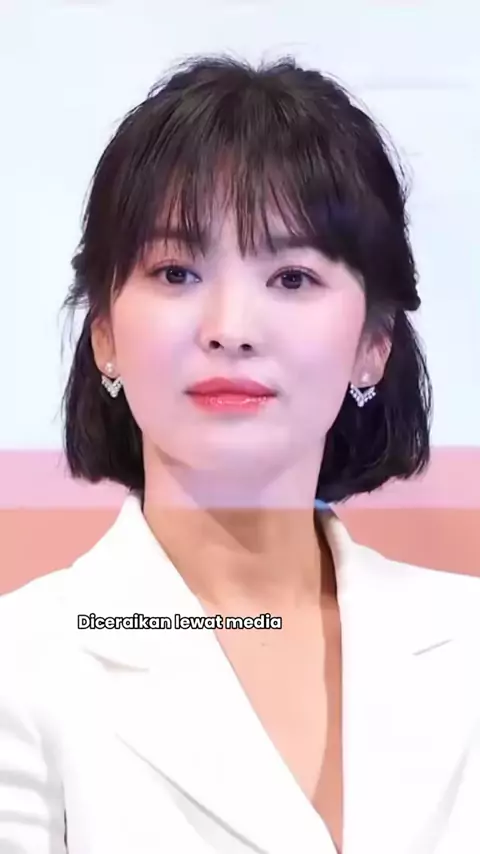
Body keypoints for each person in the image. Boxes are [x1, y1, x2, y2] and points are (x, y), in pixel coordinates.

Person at [0, 53, 479, 854]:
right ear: (105, 335)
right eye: (176, 271)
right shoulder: (21, 662)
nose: (230, 328)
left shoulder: (469, 642)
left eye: (291, 278)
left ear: (373, 344)